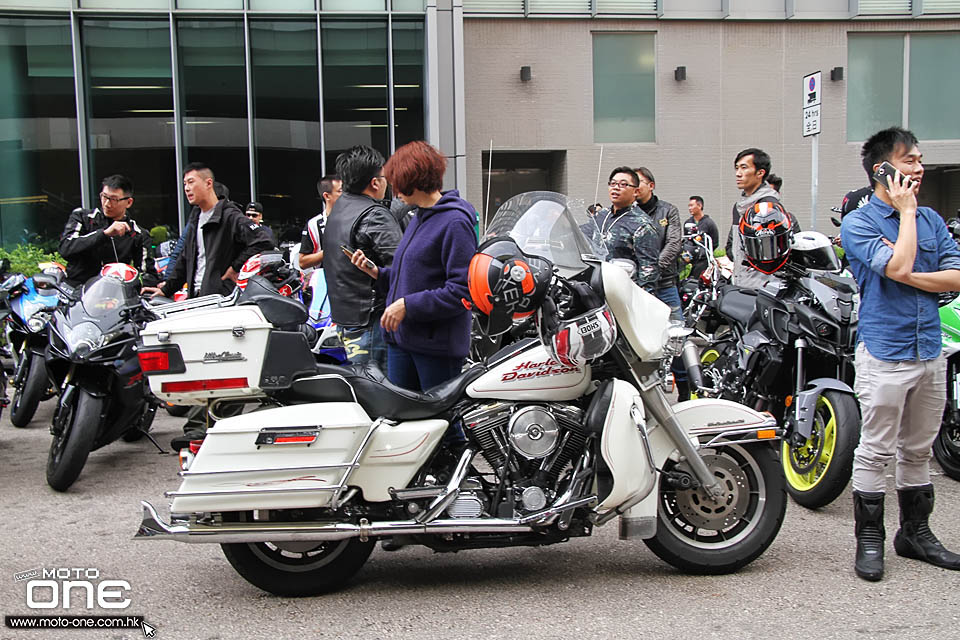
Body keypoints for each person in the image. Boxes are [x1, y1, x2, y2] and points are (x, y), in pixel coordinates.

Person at [841, 126, 960, 582]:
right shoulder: (860, 222)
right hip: (885, 352)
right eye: (909, 160)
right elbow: (897, 265)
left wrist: (909, 275)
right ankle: (870, 539)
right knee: (874, 452)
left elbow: (953, 276)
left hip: (930, 349)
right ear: (883, 169)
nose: (919, 167)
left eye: (920, 159)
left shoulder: (932, 219)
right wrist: (906, 214)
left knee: (918, 450)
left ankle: (915, 533)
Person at [348, 140, 476, 391]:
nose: (394, 190)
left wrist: (408, 305)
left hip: (436, 348)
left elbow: (463, 291)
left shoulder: (454, 223)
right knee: (405, 423)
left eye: (397, 182)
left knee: (443, 427)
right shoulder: (418, 216)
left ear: (414, 179)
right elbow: (415, 275)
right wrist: (377, 273)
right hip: (403, 340)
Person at [323, 145, 403, 368]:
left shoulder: (338, 210)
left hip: (345, 317)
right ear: (375, 182)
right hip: (372, 320)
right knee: (380, 392)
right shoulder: (375, 215)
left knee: (360, 386)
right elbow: (401, 268)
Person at [141, 163, 271, 299]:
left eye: (191, 182)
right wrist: (166, 290)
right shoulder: (195, 217)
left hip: (220, 299)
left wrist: (234, 268)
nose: (187, 188)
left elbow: (263, 241)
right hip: (196, 297)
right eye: (185, 184)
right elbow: (185, 260)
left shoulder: (229, 215)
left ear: (208, 183)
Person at [59, 174, 154, 288]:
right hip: (77, 291)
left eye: (114, 199)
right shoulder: (82, 217)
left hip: (114, 296)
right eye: (104, 196)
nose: (107, 204)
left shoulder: (138, 234)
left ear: (129, 202)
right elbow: (65, 247)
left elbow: (148, 274)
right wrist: (104, 234)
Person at [583, 166, 659, 293]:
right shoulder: (601, 215)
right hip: (593, 289)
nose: (616, 187)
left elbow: (649, 272)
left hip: (622, 294)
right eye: (613, 183)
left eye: (623, 184)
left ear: (635, 191)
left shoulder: (642, 225)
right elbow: (581, 236)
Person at [727, 148, 791, 288]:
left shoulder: (768, 207)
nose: (738, 173)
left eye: (744, 168)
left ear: (760, 173)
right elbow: (733, 245)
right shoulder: (739, 207)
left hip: (762, 287)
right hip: (740, 282)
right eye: (737, 168)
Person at [634, 167, 682, 320]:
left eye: (639, 182)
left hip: (665, 283)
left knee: (675, 330)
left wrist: (650, 271)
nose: (635, 186)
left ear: (651, 186)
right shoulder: (628, 213)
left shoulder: (668, 211)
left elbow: (673, 243)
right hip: (634, 287)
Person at [298, 174, 342, 273]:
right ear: (327, 196)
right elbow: (302, 262)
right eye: (340, 191)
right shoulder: (314, 224)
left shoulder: (356, 219)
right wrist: (330, 250)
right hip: (325, 280)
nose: (345, 195)